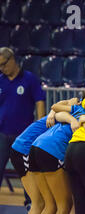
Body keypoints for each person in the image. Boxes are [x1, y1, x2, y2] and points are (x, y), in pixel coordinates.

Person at [0, 47, 45, 201]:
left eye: (3, 64)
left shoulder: (29, 79)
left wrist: (41, 126)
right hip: (2, 134)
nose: (2, 68)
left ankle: (31, 203)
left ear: (12, 60)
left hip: (24, 136)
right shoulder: (1, 80)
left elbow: (40, 101)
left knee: (27, 171)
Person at [10, 110, 56, 214]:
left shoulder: (68, 110)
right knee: (38, 203)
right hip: (23, 150)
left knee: (46, 203)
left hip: (32, 151)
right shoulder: (72, 114)